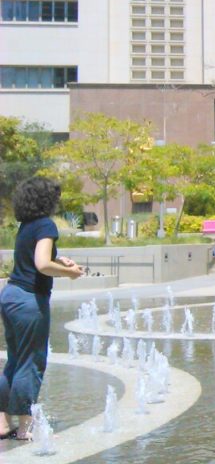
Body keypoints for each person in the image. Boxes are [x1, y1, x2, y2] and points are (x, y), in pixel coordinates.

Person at [0, 176, 85, 441]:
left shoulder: (26, 225)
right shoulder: (46, 225)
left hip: (11, 295)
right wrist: (68, 273)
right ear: (47, 200)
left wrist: (58, 259)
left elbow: (35, 257)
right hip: (29, 300)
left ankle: (3, 423)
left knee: (14, 361)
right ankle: (25, 427)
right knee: (31, 362)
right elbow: (41, 264)